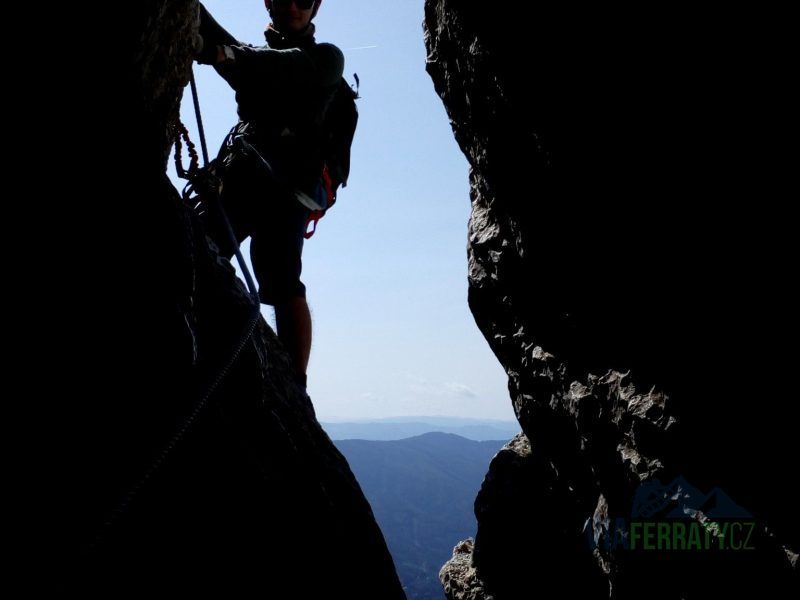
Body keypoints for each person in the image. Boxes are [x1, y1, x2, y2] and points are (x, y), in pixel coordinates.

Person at [194, 0, 344, 391]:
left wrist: (221, 54)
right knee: (199, 251)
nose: (294, 6)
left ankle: (295, 383)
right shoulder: (251, 60)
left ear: (316, 7)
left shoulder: (327, 60)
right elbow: (229, 45)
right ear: (269, 2)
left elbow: (279, 66)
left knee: (279, 277)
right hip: (245, 178)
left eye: (304, 0)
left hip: (289, 191)